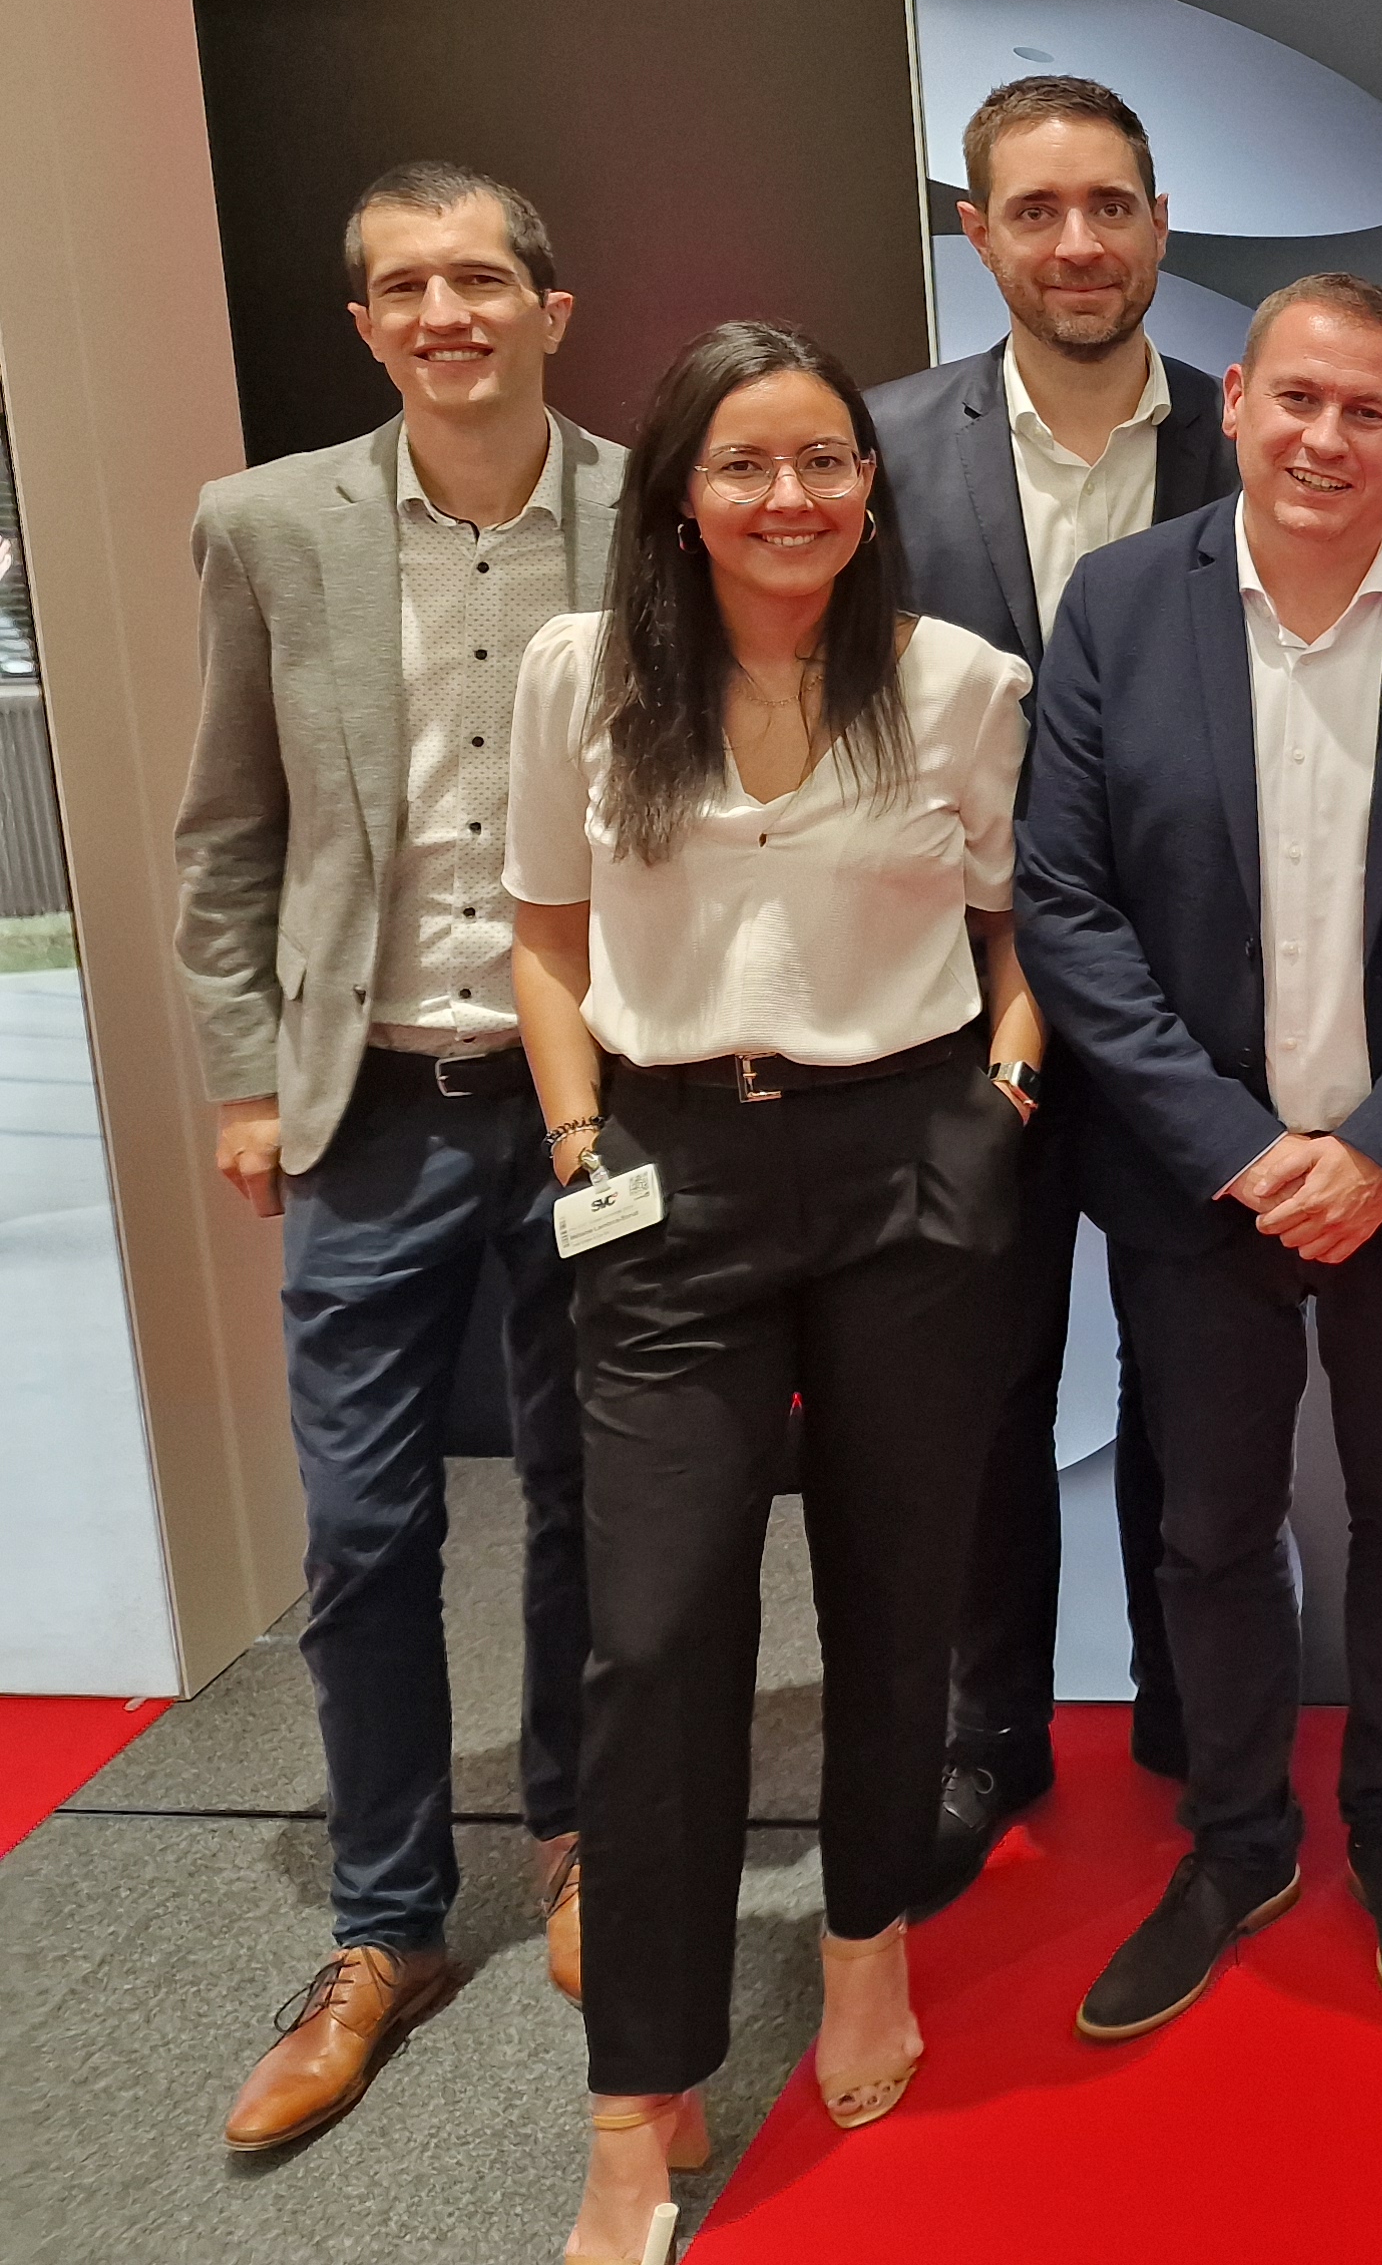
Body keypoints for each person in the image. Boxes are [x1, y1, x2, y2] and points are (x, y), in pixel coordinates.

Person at [1020, 275, 1382, 2041]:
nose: (1324, 440)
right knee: (1208, 1531)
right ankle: (1238, 1842)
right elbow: (1067, 903)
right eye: (1296, 400)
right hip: (1201, 1185)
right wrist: (1238, 1150)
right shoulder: (1122, 604)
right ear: (1235, 404)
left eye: (1366, 413)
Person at [506, 322, 1038, 2261]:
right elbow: (544, 935)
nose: (792, 496)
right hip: (665, 1173)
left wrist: (1002, 1099)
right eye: (745, 463)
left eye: (825, 459)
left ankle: (866, 1938)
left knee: (900, 1596)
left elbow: (1020, 929)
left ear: (870, 486)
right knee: (654, 1640)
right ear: (678, 492)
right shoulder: (582, 674)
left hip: (907, 1166)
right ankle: (635, 2097)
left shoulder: (957, 683)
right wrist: (579, 1142)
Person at [174, 163, 617, 2154]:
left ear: (552, 307)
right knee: (364, 1529)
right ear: (364, 325)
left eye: (481, 278)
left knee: (594, 1495)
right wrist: (244, 1077)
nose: (448, 313)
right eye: (406, 287)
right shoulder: (267, 525)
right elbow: (227, 832)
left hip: (593, 1098)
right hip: (364, 1103)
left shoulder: (651, 509)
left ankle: (585, 1837)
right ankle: (386, 1925)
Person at [870, 72, 1231, 1912]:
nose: (1078, 243)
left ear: (1160, 222)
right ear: (978, 233)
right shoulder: (872, 450)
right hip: (954, 1020)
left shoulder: (1262, 437)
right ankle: (986, 1726)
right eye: (1036, 210)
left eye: (1110, 205)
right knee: (978, 1393)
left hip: (1196, 1021)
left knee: (1193, 1383)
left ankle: (1194, 1704)